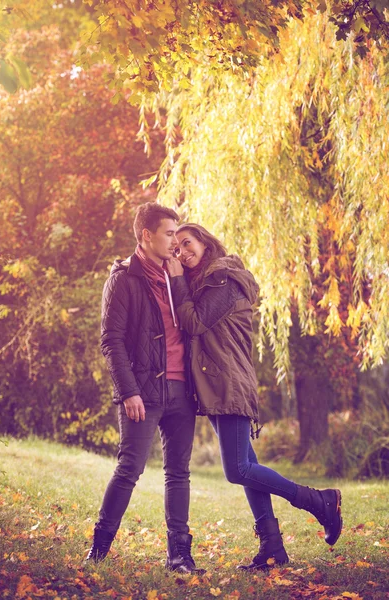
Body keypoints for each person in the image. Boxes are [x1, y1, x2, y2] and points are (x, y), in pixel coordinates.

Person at [168, 223, 342, 570]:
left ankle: (319, 501)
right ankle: (273, 548)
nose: (182, 253)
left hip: (229, 384)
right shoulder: (204, 280)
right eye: (176, 249)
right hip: (216, 386)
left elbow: (193, 323)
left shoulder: (222, 279)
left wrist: (175, 279)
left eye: (186, 244)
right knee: (249, 467)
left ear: (204, 242)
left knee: (238, 470)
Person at [86, 203, 203, 574]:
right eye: (169, 234)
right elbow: (111, 340)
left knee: (179, 473)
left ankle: (179, 556)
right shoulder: (123, 278)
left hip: (181, 390)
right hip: (142, 392)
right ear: (146, 236)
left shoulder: (177, 275)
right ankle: (99, 549)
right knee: (129, 468)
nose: (175, 241)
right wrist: (128, 390)